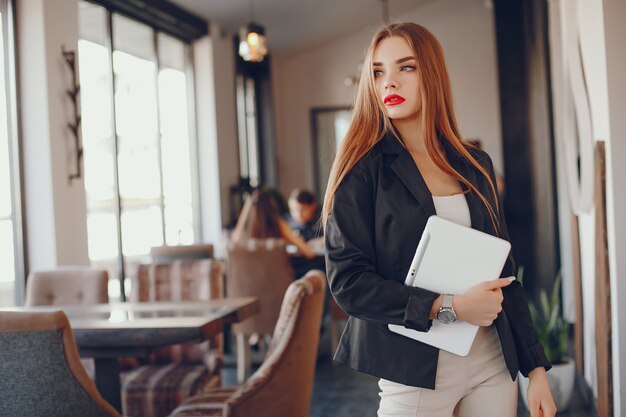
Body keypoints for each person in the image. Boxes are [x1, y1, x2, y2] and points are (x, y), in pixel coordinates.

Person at [322, 23, 556, 417]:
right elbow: (349, 284)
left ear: (430, 73)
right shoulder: (362, 172)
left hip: (492, 364)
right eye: (377, 71)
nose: (389, 81)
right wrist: (450, 307)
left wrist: (536, 371)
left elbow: (504, 271)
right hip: (414, 370)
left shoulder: (475, 165)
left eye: (406, 67)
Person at [232, 189, 315, 259]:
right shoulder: (279, 225)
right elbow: (308, 253)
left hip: (248, 277)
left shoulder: (240, 233)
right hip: (275, 276)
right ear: (272, 207)